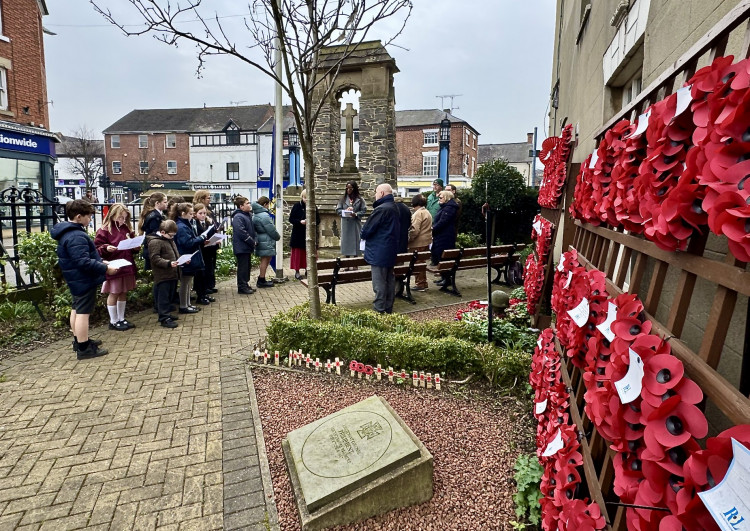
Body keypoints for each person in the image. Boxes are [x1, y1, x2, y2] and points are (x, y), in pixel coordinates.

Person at [51, 199, 118, 360]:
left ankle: (79, 340)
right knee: (83, 313)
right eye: (89, 216)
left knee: (76, 308)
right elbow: (82, 261)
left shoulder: (69, 232)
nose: (90, 220)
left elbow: (82, 257)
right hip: (83, 279)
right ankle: (83, 348)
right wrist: (105, 268)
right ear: (79, 216)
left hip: (76, 278)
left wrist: (101, 261)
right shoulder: (76, 236)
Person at [94, 203, 138, 332]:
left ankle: (121, 318)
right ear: (112, 215)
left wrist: (135, 245)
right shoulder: (104, 230)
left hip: (126, 263)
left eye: (124, 218)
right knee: (114, 292)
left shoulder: (125, 228)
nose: (122, 221)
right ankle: (113, 321)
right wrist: (106, 248)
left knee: (123, 291)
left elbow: (132, 246)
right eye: (120, 218)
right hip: (114, 265)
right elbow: (97, 249)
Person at [360, 183, 400, 314]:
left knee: (379, 283)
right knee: (389, 280)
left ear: (382, 193)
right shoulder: (394, 207)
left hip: (379, 251)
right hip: (390, 250)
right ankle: (388, 308)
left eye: (376, 192)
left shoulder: (381, 209)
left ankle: (379, 310)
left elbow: (367, 230)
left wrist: (363, 233)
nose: (375, 195)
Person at [171, 202, 215, 313]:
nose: (192, 215)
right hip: (186, 257)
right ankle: (184, 306)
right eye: (190, 213)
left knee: (188, 283)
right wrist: (201, 238)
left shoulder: (186, 224)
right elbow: (188, 243)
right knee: (185, 283)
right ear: (183, 213)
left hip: (189, 256)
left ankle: (187, 304)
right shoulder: (181, 227)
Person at [146, 220, 181, 329]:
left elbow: (174, 253)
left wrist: (180, 260)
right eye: (171, 235)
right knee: (163, 297)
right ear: (162, 232)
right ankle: (164, 317)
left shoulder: (169, 239)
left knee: (169, 294)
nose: (172, 237)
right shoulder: (155, 242)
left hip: (172, 272)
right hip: (163, 274)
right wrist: (168, 263)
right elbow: (155, 258)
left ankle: (167, 314)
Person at [289, 189, 320, 280]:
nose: (306, 200)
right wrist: (300, 222)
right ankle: (297, 271)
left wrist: (311, 222)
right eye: (305, 198)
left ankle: (308, 269)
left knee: (309, 253)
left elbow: (318, 220)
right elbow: (291, 219)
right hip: (298, 234)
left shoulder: (313, 207)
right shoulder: (296, 206)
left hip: (309, 233)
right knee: (298, 254)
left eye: (308, 198)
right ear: (302, 197)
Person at [431, 190, 460, 286]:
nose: (439, 199)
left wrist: (433, 230)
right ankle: (444, 278)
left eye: (441, 197)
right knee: (441, 257)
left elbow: (443, 222)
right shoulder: (446, 207)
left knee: (444, 258)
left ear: (447, 198)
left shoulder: (449, 208)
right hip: (442, 236)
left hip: (444, 237)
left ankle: (446, 279)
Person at [252, 196, 280, 288]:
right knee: (265, 259)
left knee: (265, 259)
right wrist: (277, 237)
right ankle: (261, 279)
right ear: (265, 205)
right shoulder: (264, 215)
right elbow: (270, 228)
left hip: (261, 238)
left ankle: (262, 278)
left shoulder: (256, 214)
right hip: (266, 239)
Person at [193, 190, 218, 294]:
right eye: (208, 197)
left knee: (210, 265)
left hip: (211, 244)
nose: (210, 199)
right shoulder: (197, 212)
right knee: (204, 267)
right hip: (203, 246)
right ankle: (204, 288)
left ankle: (209, 285)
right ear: (202, 199)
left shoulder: (209, 210)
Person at [191, 202, 216, 305]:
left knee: (207, 273)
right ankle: (200, 295)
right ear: (195, 214)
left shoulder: (206, 223)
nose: (203, 215)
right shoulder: (195, 224)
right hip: (200, 251)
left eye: (204, 213)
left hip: (208, 251)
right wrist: (203, 241)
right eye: (200, 213)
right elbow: (196, 238)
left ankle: (204, 293)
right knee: (200, 274)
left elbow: (210, 234)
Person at [231, 195, 257, 294]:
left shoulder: (248, 215)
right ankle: (242, 286)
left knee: (247, 267)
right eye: (247, 203)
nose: (249, 205)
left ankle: (245, 284)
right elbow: (241, 232)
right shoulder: (238, 217)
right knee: (242, 267)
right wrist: (251, 241)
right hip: (241, 247)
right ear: (241, 206)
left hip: (247, 247)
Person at [408, 194, 433, 292]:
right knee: (422, 263)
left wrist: (409, 239)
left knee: (418, 264)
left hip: (418, 243)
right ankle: (423, 282)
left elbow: (415, 230)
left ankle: (420, 283)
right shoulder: (426, 212)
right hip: (426, 240)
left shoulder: (418, 214)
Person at [336, 180, 367, 258]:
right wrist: (345, 211)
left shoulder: (360, 200)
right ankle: (347, 263)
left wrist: (356, 214)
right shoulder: (342, 199)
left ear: (354, 188)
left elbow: (363, 210)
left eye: (350, 188)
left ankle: (355, 263)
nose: (348, 190)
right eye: (347, 188)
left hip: (355, 223)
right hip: (346, 224)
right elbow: (338, 210)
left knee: (356, 242)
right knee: (346, 243)